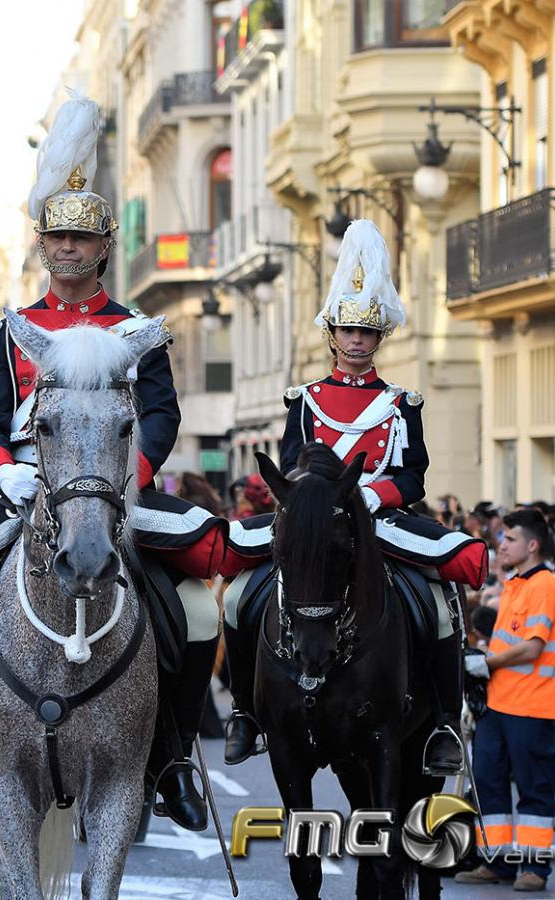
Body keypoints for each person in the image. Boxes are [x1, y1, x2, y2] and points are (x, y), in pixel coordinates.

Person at [0, 92, 227, 831]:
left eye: (82, 238)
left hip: (111, 489)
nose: (69, 249)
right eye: (58, 238)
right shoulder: (7, 331)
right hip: (20, 486)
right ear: (44, 246)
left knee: (201, 602)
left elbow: (163, 415)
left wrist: (121, 475)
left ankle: (171, 759)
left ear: (104, 246)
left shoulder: (134, 329)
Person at [219, 219, 486, 776]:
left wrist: (370, 493)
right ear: (333, 335)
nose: (358, 341)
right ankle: (246, 710)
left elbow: (414, 477)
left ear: (378, 338)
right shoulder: (305, 399)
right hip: (316, 523)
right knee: (238, 595)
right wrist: (321, 496)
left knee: (438, 604)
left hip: (380, 521)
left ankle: (440, 721)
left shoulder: (401, 402)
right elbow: (291, 465)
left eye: (367, 334)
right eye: (348, 331)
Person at [455, 508, 555, 892]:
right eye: (502, 538)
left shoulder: (545, 585)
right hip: (499, 704)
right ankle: (497, 862)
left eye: (510, 539)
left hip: (532, 707)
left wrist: (486, 662)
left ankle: (535, 869)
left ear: (532, 545)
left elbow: (533, 647)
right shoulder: (515, 584)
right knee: (489, 784)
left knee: (534, 789)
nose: (501, 544)